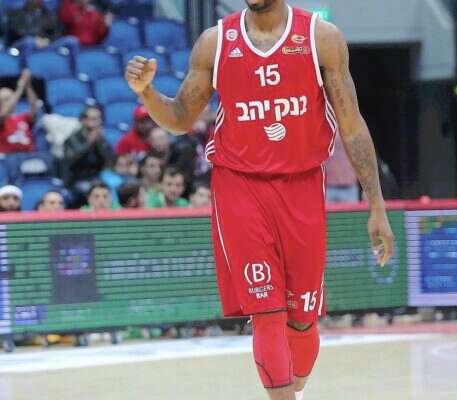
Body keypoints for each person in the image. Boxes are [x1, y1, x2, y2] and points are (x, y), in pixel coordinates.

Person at [125, 1, 394, 399]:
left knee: (301, 320)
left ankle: (291, 385)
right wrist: (147, 93)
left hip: (302, 184)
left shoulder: (320, 38)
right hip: (239, 187)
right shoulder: (215, 42)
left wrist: (377, 206)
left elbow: (352, 127)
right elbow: (181, 118)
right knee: (266, 311)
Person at [63, 106, 112, 206]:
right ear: (83, 120)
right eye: (93, 119)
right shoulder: (72, 139)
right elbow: (71, 161)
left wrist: (99, 144)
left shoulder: (101, 140)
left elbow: (108, 162)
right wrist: (89, 143)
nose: (97, 122)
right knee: (92, 192)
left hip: (97, 177)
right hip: (77, 179)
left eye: (99, 119)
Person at [4, 0, 79, 53]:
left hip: (44, 43)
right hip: (21, 43)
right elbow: (17, 31)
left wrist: (47, 40)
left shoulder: (47, 13)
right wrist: (36, 39)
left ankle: (74, 70)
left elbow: (55, 32)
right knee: (29, 41)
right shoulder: (15, 12)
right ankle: (25, 68)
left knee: (71, 40)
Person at [0, 70, 39, 154]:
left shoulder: (23, 117)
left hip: (28, 156)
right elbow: (3, 114)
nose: (12, 101)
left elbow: (34, 107)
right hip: (8, 157)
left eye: (12, 98)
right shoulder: (2, 119)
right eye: (6, 99)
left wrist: (27, 86)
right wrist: (20, 87)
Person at [325, 132, 359, 202]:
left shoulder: (355, 129)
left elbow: (361, 159)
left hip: (349, 187)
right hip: (329, 187)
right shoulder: (324, 127)